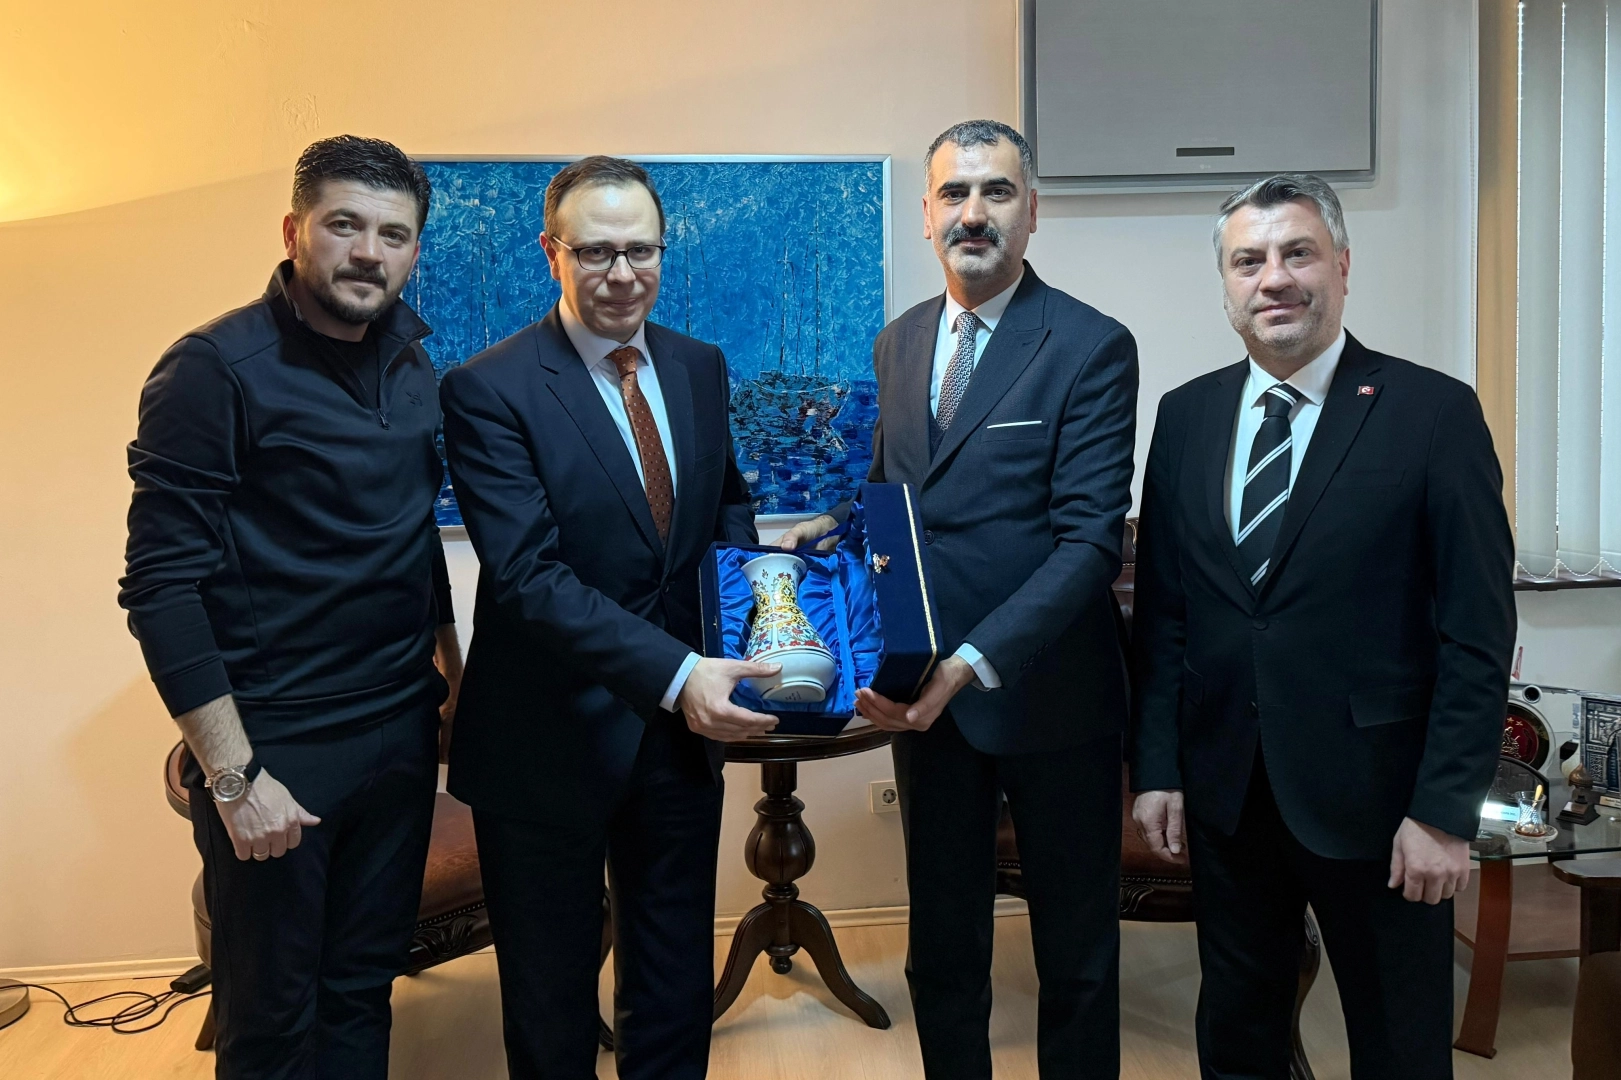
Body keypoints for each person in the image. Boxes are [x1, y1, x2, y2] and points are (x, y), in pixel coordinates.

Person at [1129, 173, 1516, 1078]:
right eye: (1248, 261)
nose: (1273, 278)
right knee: (1238, 1039)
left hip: (1383, 808)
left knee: (1398, 1046)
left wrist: (1443, 813)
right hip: (1228, 797)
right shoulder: (1185, 417)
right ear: (1226, 285)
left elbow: (1475, 632)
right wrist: (1158, 768)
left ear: (1341, 266)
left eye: (1296, 253)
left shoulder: (1431, 413)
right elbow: (1166, 614)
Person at [779, 120, 1139, 1079]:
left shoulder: (1091, 345)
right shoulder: (899, 341)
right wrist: (831, 531)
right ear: (926, 213)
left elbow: (1089, 541)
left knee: (1075, 957)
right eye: (953, 193)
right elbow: (898, 498)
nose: (972, 213)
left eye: (996, 192)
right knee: (941, 947)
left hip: (1052, 701)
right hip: (923, 705)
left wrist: (972, 663)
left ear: (1032, 211)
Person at [119, 135, 461, 1079]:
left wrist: (454, 678)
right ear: (293, 230)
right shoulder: (213, 368)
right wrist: (233, 779)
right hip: (278, 748)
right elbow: (158, 587)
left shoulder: (412, 361)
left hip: (398, 734)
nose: (368, 253)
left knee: (361, 992)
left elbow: (414, 540)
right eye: (344, 224)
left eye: (393, 234)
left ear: (414, 249)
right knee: (271, 1023)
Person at [439, 155, 775, 1080]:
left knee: (672, 987)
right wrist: (679, 673)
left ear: (663, 250)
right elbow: (528, 575)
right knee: (549, 1005)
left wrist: (763, 616)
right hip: (544, 741)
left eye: (641, 250)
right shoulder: (488, 388)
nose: (622, 274)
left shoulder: (699, 366)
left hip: (677, 741)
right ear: (551, 252)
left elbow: (725, 509)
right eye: (595, 252)